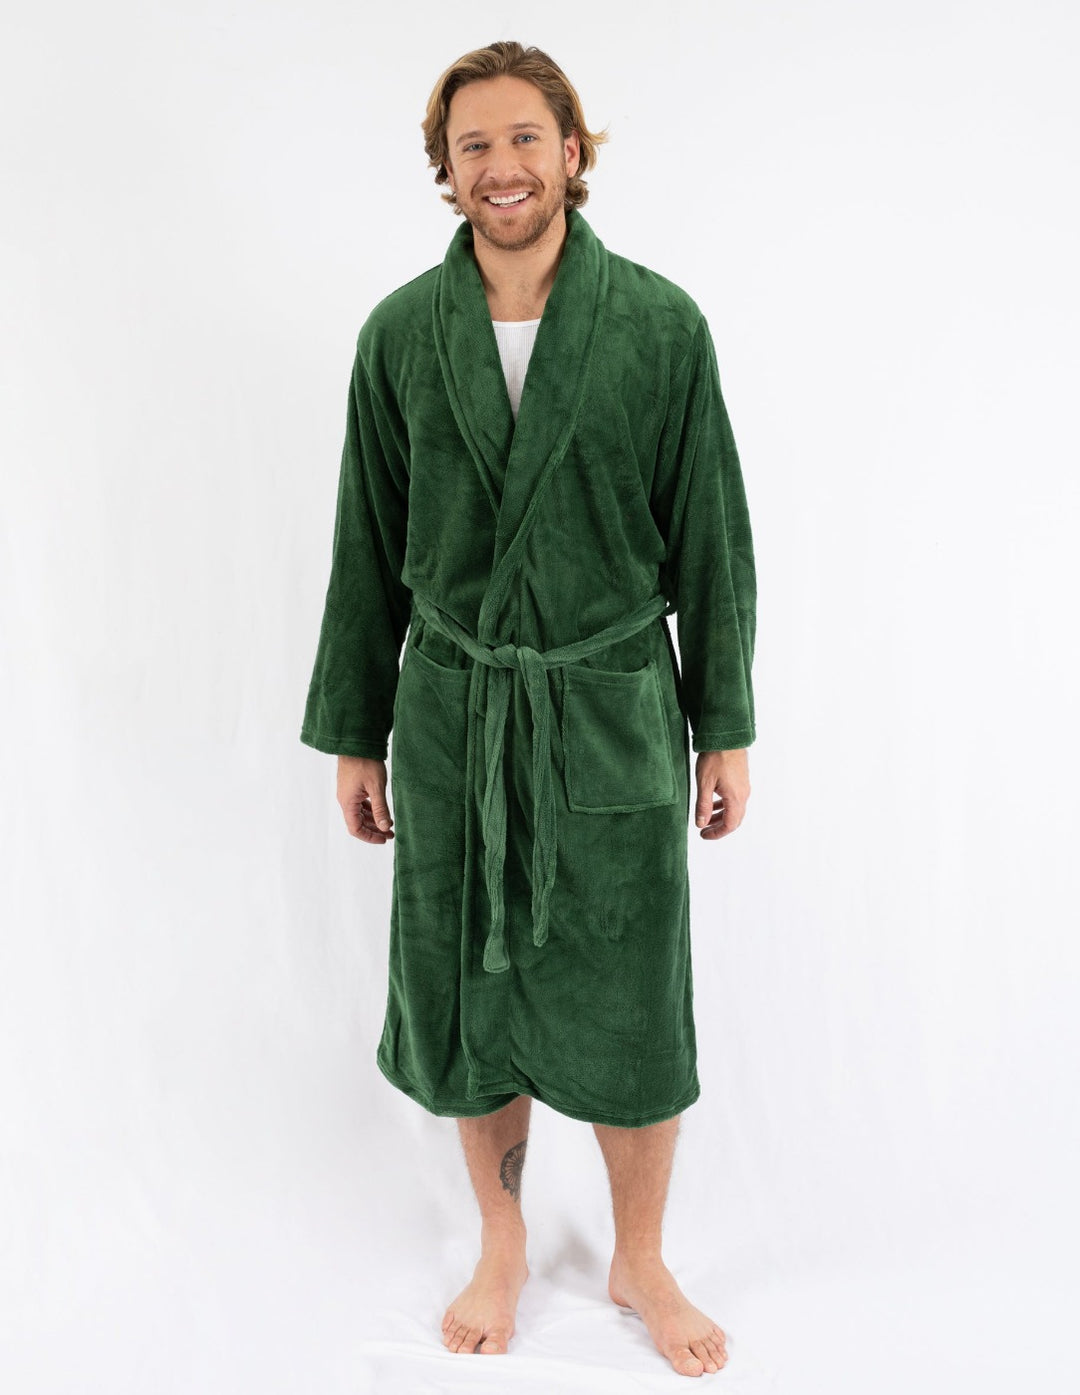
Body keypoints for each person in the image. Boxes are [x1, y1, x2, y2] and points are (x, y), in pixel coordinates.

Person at [299, 39, 756, 1380]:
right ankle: (500, 1243)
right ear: (445, 171)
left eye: (524, 138)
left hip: (610, 705)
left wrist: (725, 723)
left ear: (572, 150)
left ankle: (639, 1256)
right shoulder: (400, 335)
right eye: (474, 146)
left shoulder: (659, 326)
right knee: (470, 980)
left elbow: (713, 538)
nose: (501, 166)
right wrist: (355, 731)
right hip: (455, 709)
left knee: (632, 990)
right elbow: (364, 544)